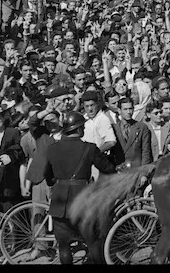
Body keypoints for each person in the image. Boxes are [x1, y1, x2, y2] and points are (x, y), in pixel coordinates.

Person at [43, 111, 116, 265]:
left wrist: (57, 183)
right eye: (82, 127)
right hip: (83, 201)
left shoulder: (52, 149)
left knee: (63, 247)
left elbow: (47, 176)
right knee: (93, 243)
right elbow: (106, 168)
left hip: (59, 202)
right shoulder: (89, 147)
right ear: (78, 129)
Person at [112, 96, 153, 168]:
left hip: (136, 169)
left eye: (130, 109)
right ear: (119, 110)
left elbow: (146, 152)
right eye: (125, 109)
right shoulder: (114, 129)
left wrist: (144, 173)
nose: (128, 112)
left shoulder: (142, 127)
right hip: (119, 170)